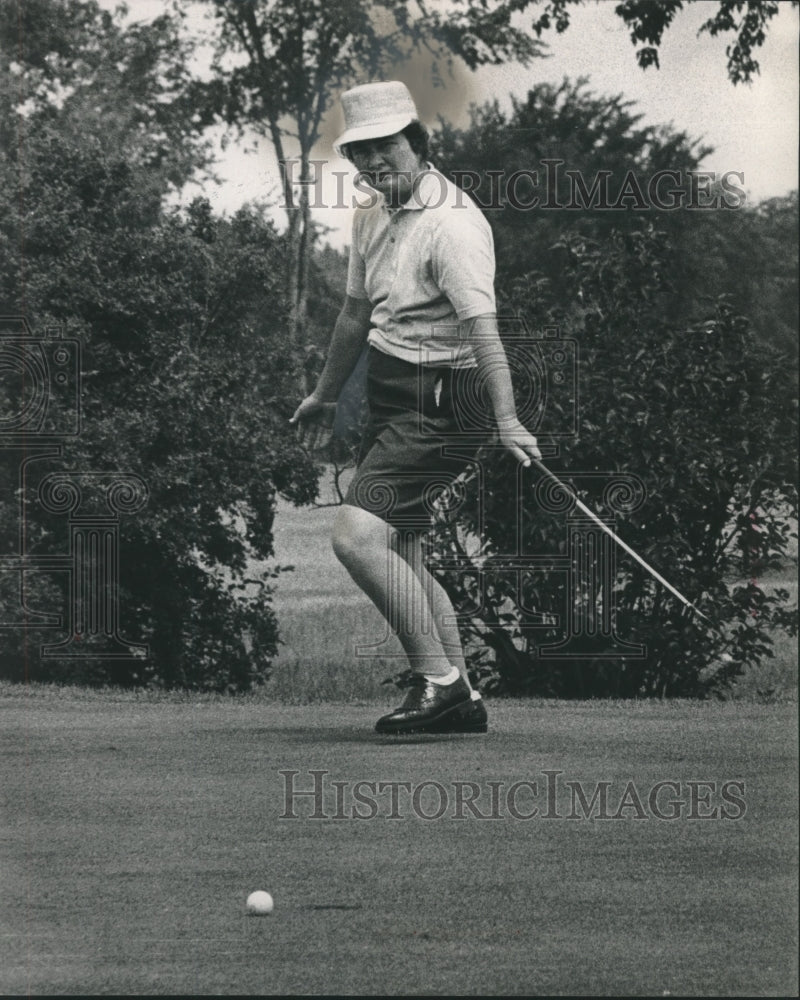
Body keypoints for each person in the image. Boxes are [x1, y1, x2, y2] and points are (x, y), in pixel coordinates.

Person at [290, 81, 540, 735]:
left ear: (418, 144)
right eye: (362, 151)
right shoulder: (370, 214)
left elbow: (485, 329)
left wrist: (508, 416)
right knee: (404, 549)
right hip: (391, 392)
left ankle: (440, 682)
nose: (375, 163)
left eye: (387, 146)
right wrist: (323, 394)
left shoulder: (453, 224)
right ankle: (462, 698)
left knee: (356, 537)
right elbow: (354, 313)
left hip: (445, 403)